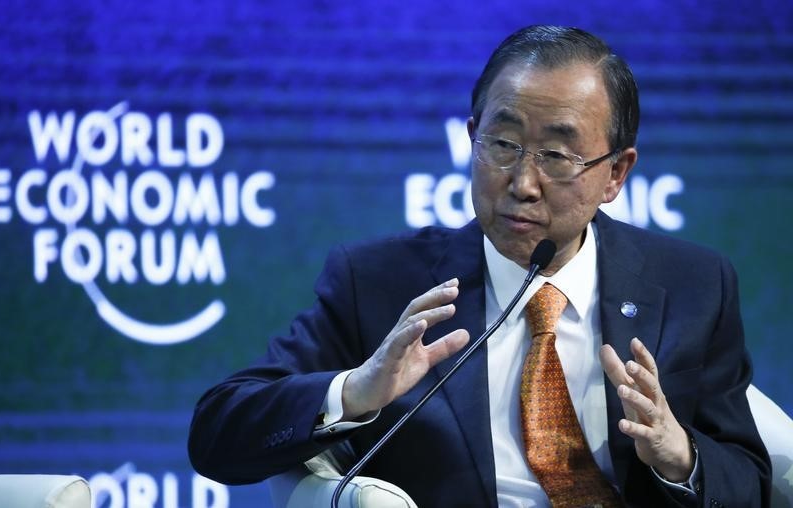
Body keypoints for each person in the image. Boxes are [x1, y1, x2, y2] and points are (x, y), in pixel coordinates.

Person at [188, 25, 771, 507]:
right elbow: (217, 435)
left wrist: (680, 458)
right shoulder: (379, 284)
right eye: (502, 145)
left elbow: (751, 479)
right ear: (471, 139)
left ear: (616, 173)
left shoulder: (694, 285)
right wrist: (355, 391)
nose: (522, 184)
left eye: (557, 156)